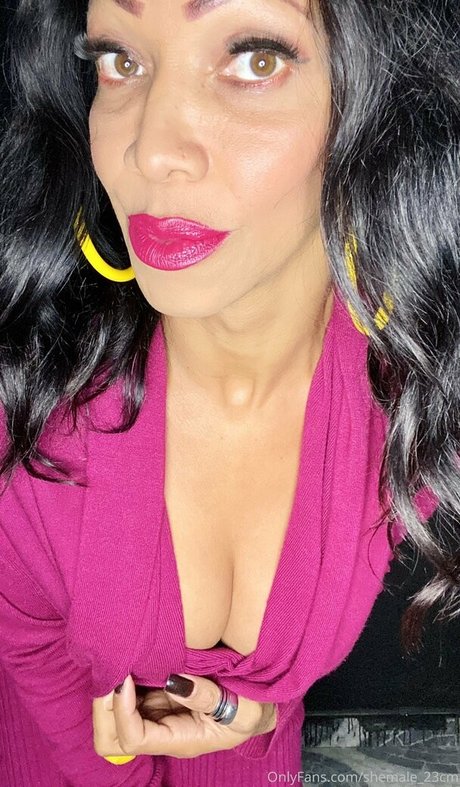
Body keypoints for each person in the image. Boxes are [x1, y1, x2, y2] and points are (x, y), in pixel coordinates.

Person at [0, 0, 458, 784]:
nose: (151, 150)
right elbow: (27, 645)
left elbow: (274, 698)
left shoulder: (413, 401)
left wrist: (260, 717)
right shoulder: (35, 395)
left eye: (254, 58)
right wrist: (117, 761)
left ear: (380, 105)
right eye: (121, 60)